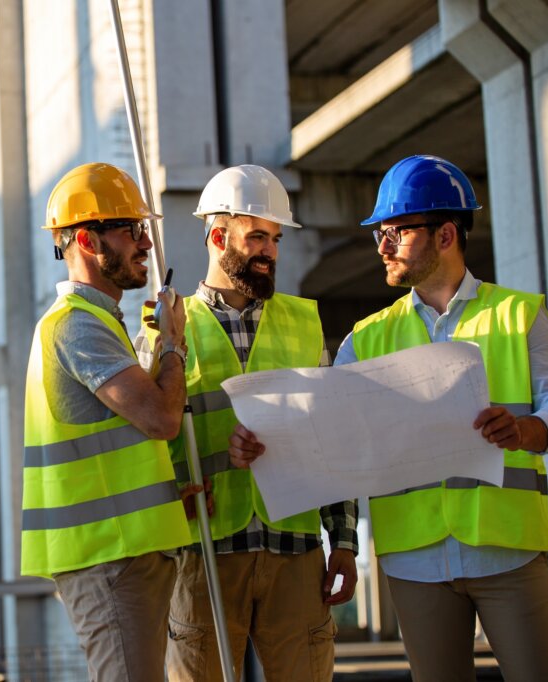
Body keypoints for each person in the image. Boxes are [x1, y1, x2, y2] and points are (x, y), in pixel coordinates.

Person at [333, 155, 548, 681]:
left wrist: (527, 430)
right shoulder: (364, 339)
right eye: (379, 233)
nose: (382, 247)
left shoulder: (520, 316)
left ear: (445, 234)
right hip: (414, 560)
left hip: (508, 553)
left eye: (396, 232)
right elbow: (331, 436)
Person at [137, 165, 359, 682]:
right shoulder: (165, 328)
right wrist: (169, 503)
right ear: (218, 237)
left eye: (276, 239)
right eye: (257, 236)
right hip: (205, 554)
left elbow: (334, 437)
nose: (270, 251)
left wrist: (344, 542)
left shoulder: (305, 323)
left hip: (296, 551)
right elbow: (143, 443)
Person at [20, 162, 200, 682]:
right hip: (111, 559)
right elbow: (161, 419)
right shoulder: (77, 326)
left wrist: (169, 498)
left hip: (123, 554)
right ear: (86, 240)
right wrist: (172, 345)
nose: (145, 242)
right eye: (130, 229)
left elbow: (116, 448)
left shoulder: (99, 322)